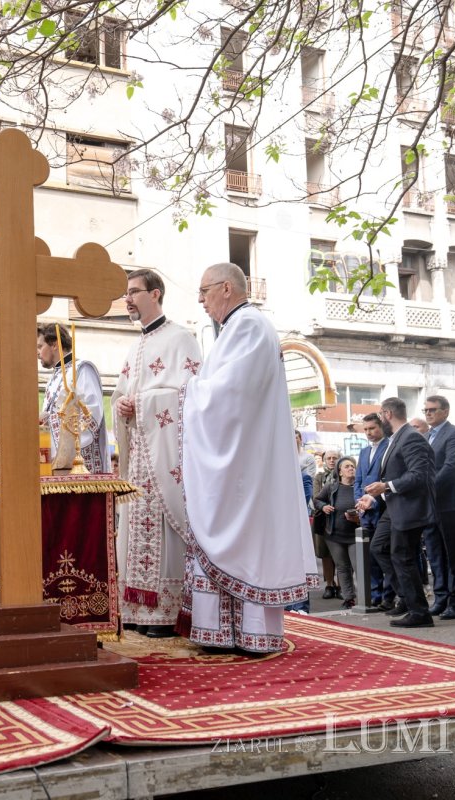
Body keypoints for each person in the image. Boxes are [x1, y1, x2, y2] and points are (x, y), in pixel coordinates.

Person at [177, 263, 316, 653]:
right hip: (240, 459)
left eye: (204, 291)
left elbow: (230, 395)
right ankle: (226, 633)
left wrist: (185, 392)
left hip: (245, 465)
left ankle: (248, 633)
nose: (201, 301)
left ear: (226, 288)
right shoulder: (235, 329)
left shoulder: (249, 325)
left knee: (242, 537)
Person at [112, 268, 203, 638]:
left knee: (166, 533)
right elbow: (120, 393)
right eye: (127, 293)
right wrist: (121, 405)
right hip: (138, 460)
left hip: (167, 459)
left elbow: (193, 395)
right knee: (133, 533)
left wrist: (144, 403)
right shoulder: (134, 348)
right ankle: (135, 609)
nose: (128, 299)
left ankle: (165, 614)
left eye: (134, 292)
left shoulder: (182, 338)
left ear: (156, 293)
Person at [356, 397, 436, 628]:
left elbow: (419, 475)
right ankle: (409, 599)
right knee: (379, 548)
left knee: (403, 556)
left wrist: (386, 487)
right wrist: (374, 495)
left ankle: (419, 612)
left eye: (380, 416)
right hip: (395, 506)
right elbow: (393, 475)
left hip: (410, 508)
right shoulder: (396, 438)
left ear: (387, 414)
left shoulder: (411, 437)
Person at [421, 395, 455, 620]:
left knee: (454, 554)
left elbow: (451, 467)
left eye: (432, 410)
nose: (428, 413)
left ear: (445, 411)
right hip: (429, 506)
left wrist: (427, 490)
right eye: (426, 410)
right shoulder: (426, 436)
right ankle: (440, 597)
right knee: (435, 554)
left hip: (450, 503)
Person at [37, 322, 109, 472]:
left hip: (82, 465)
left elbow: (92, 415)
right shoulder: (52, 380)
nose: (37, 353)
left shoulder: (82, 369)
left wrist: (67, 451)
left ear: (55, 345)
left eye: (39, 347)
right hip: (56, 465)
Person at [355, 413, 392, 608]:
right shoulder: (363, 452)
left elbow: (386, 480)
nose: (369, 432)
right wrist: (359, 502)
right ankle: (375, 595)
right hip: (365, 511)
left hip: (384, 508)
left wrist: (373, 501)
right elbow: (358, 480)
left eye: (372, 428)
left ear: (381, 427)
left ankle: (389, 596)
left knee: (383, 552)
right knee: (369, 555)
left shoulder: (389, 447)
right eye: (366, 429)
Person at [315, 456, 361, 608]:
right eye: (347, 466)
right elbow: (317, 500)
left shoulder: (360, 487)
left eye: (352, 466)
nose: (351, 468)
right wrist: (323, 507)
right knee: (342, 567)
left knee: (358, 566)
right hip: (334, 535)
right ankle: (349, 598)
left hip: (356, 535)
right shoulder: (331, 487)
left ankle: (368, 597)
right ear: (340, 472)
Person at [311, 449, 341, 599]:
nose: (331, 460)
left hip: (341, 519)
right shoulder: (319, 477)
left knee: (342, 555)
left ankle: (343, 586)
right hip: (323, 520)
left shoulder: (344, 475)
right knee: (325, 555)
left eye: (334, 458)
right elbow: (316, 497)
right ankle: (329, 584)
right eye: (328, 458)